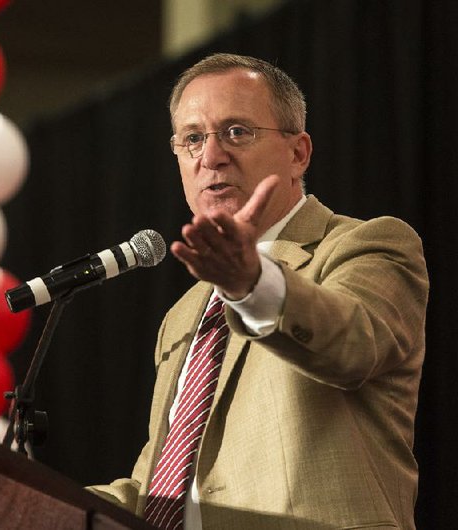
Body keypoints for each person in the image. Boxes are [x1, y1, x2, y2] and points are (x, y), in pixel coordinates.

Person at [88, 53, 429, 529]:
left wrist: (251, 284)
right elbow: (162, 483)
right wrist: (22, 498)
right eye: (192, 139)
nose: (210, 157)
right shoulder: (184, 313)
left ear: (298, 153)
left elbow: (353, 345)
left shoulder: (366, 245)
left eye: (236, 132)